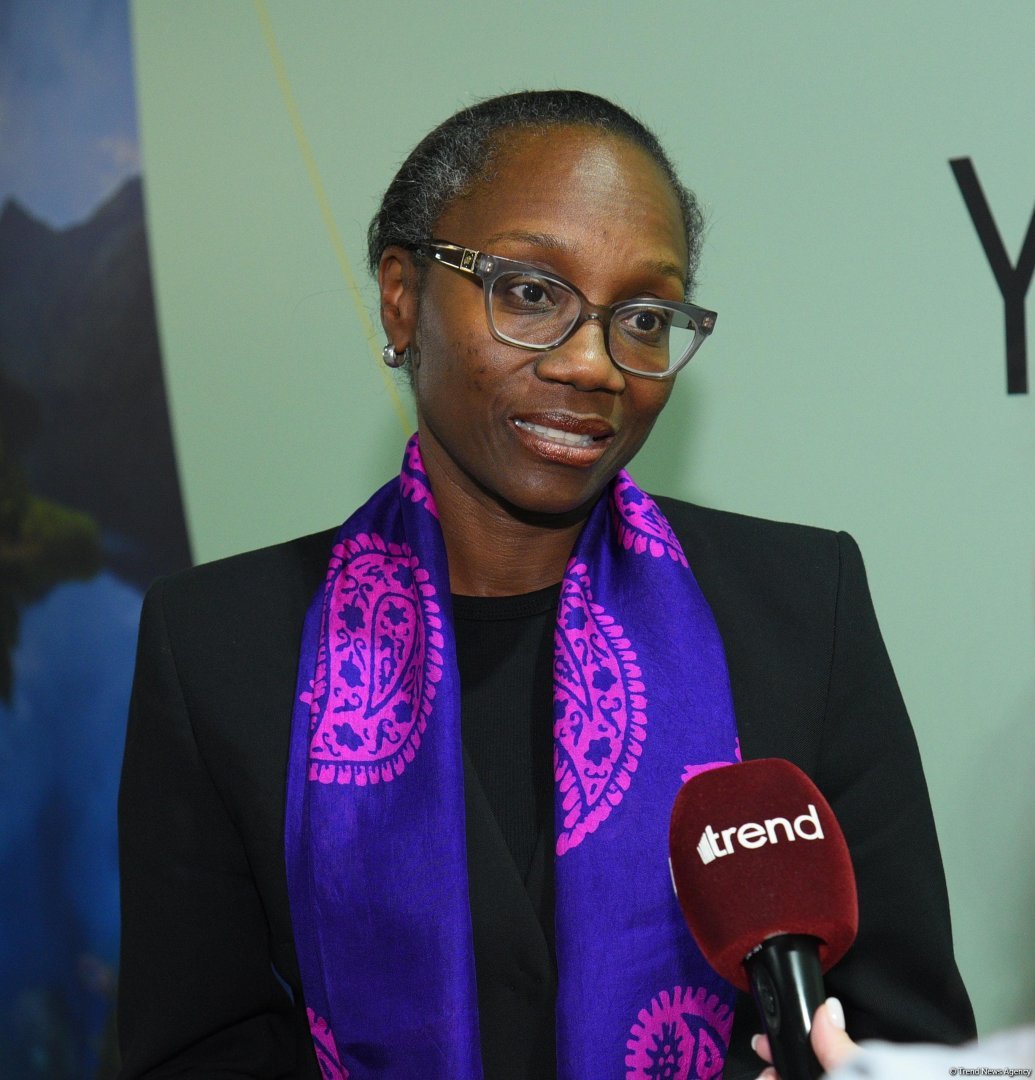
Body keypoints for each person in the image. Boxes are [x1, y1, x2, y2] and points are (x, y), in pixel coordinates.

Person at [117, 90, 975, 1079]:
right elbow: (193, 1048)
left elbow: (914, 1035)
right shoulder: (221, 645)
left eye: (644, 316)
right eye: (530, 293)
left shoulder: (800, 608)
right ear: (401, 298)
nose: (591, 363)